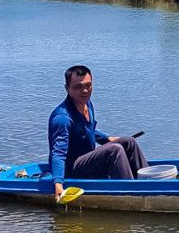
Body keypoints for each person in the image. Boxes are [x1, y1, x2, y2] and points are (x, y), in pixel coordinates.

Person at [49, 65, 148, 202]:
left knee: (128, 141)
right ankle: (132, 193)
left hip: (87, 158)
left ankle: (148, 181)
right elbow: (58, 153)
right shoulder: (62, 118)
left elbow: (88, 130)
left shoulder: (87, 104)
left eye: (88, 85)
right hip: (72, 169)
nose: (85, 90)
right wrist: (58, 184)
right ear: (67, 89)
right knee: (115, 150)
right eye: (78, 87)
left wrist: (106, 138)